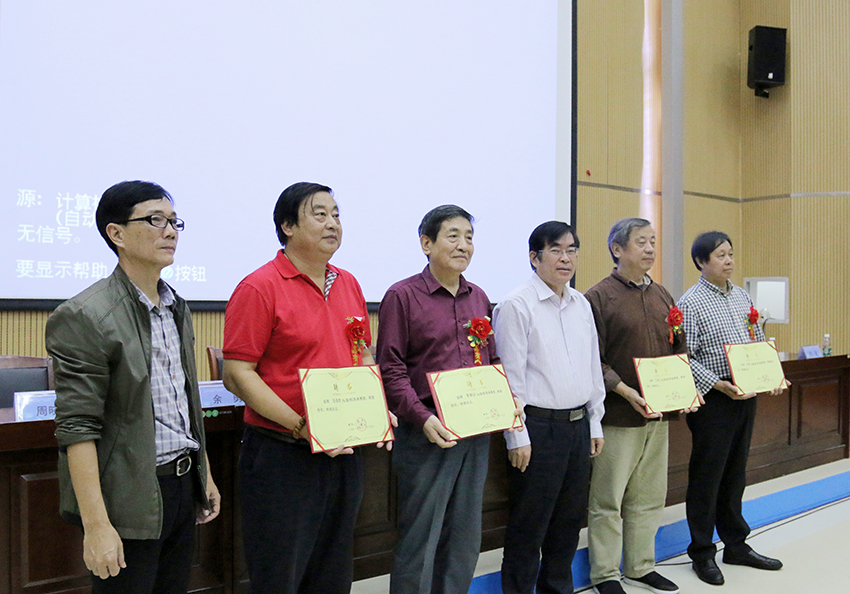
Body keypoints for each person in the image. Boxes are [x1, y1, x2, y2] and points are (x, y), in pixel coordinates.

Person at [47, 180, 220, 594]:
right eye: (156, 220)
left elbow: (184, 402)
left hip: (181, 485)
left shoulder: (176, 305)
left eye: (174, 221)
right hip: (127, 495)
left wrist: (205, 474)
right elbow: (77, 428)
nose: (170, 231)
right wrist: (97, 526)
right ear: (117, 233)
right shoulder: (86, 314)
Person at [222, 182, 392, 594]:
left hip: (344, 454)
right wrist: (301, 425)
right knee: (280, 576)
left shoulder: (348, 283)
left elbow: (362, 354)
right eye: (320, 214)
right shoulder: (259, 286)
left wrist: (376, 407)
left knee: (332, 574)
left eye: (336, 214)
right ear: (287, 226)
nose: (332, 223)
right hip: (283, 455)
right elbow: (237, 373)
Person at [377, 205, 498, 594]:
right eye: (453, 236)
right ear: (426, 244)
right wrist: (422, 418)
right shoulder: (402, 295)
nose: (464, 245)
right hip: (426, 432)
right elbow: (391, 369)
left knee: (464, 535)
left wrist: (504, 398)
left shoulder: (478, 296)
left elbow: (492, 360)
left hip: (475, 432)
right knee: (421, 538)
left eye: (469, 237)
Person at [493, 221, 605, 594]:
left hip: (577, 427)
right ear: (534, 257)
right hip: (538, 429)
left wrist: (595, 422)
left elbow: (592, 367)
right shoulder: (516, 305)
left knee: (568, 523)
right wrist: (516, 435)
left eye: (572, 250)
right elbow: (510, 379)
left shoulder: (581, 303)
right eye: (556, 250)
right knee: (529, 525)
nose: (565, 258)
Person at [584, 218, 689, 594]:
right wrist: (625, 390)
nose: (650, 249)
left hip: (658, 417)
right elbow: (592, 360)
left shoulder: (662, 294)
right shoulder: (597, 298)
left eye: (653, 241)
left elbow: (678, 346)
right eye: (641, 242)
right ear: (617, 249)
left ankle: (641, 566)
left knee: (649, 496)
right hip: (618, 416)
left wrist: (683, 391)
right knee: (608, 500)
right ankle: (605, 574)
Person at [678, 231, 785, 586]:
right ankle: (702, 552)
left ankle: (736, 545)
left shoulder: (741, 296)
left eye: (730, 254)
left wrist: (770, 375)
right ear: (701, 262)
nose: (729, 261)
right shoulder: (690, 303)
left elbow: (756, 341)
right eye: (720, 255)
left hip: (746, 395)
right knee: (707, 476)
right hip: (715, 399)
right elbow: (684, 356)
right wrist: (717, 384)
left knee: (736, 473)